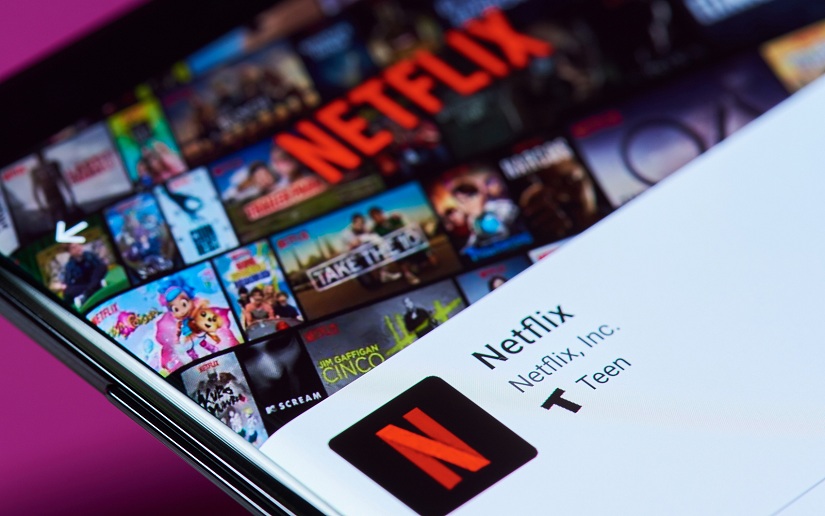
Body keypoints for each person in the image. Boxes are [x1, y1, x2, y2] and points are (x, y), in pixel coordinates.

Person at [31, 151, 76, 225]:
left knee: (66, 220)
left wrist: (72, 198)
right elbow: (35, 190)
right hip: (50, 200)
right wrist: (40, 206)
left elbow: (63, 181)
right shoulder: (35, 171)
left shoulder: (52, 165)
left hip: (58, 197)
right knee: (55, 222)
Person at [61, 243, 108, 309]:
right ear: (70, 252)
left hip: (94, 280)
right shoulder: (69, 266)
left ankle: (87, 294)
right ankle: (96, 287)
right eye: (74, 247)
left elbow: (100, 267)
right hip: (84, 285)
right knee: (68, 291)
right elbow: (68, 284)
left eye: (79, 245)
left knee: (102, 267)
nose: (78, 248)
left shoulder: (89, 255)